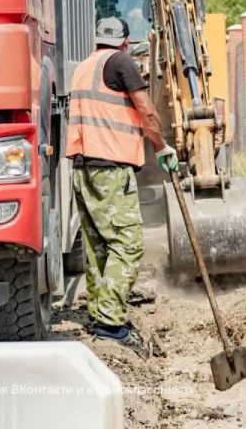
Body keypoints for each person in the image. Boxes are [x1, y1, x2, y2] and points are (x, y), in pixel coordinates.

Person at [66, 17, 179, 351]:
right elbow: (145, 109)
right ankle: (112, 322)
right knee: (128, 244)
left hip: (83, 167)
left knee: (99, 245)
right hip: (111, 168)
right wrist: (162, 147)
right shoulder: (121, 62)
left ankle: (101, 313)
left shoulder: (84, 66)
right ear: (126, 42)